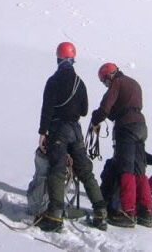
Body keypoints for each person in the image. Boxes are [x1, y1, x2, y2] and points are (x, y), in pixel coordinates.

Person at [36, 42, 107, 232]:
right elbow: (84, 111)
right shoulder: (79, 82)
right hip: (76, 131)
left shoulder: (53, 81)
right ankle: (101, 212)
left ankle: (54, 216)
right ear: (73, 59)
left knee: (57, 170)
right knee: (85, 171)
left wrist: (42, 132)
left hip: (58, 129)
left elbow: (47, 109)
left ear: (58, 58)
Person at [90, 63, 151, 227]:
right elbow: (126, 106)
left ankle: (127, 211)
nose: (106, 85)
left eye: (105, 81)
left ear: (109, 76)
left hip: (126, 127)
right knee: (140, 170)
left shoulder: (117, 83)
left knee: (126, 170)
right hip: (141, 126)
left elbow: (106, 107)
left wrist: (95, 120)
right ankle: (146, 212)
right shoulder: (134, 83)